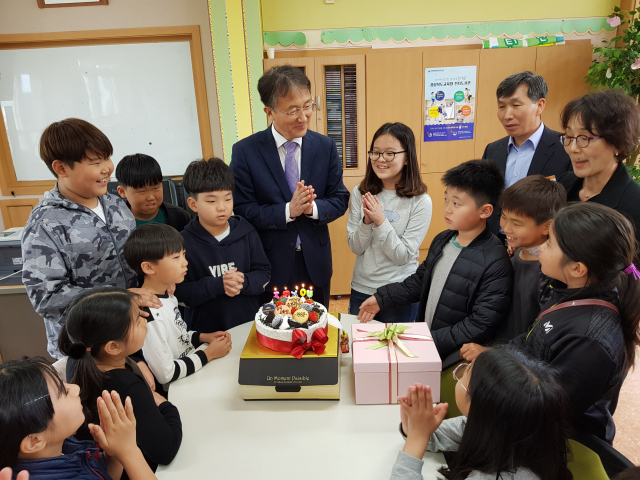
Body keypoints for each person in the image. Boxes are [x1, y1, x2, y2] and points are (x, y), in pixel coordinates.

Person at [464, 203, 640, 444]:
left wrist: (484, 398)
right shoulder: (563, 288)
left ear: (577, 268)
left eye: (549, 244)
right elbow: (532, 338)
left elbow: (549, 412)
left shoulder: (589, 340)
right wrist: (494, 355)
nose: (541, 248)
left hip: (561, 443)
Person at [21, 118, 162, 360]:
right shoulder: (46, 222)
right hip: (86, 350)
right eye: (96, 162)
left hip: (130, 336)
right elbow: (47, 297)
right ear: (61, 168)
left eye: (107, 158)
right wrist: (121, 298)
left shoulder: (116, 205)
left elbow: (134, 262)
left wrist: (160, 276)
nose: (108, 168)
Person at [358, 160, 512, 365]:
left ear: (485, 211)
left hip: (455, 360)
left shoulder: (495, 260)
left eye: (456, 203)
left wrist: (426, 340)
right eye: (446, 199)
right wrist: (381, 298)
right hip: (429, 346)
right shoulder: (443, 239)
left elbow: (479, 324)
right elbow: (419, 282)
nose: (447, 209)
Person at [230, 65, 350, 308]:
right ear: (269, 111)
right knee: (276, 333)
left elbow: (339, 197)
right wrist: (288, 211)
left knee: (317, 332)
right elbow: (242, 208)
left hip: (315, 263)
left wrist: (312, 208)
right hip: (270, 264)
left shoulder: (325, 147)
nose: (303, 116)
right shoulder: (245, 152)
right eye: (293, 109)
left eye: (307, 106)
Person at [390, 347, 571, 480]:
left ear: (480, 401)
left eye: (466, 371)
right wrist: (414, 424)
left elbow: (423, 437)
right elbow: (432, 436)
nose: (459, 373)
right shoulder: (505, 428)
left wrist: (416, 437)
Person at [57, 288, 183, 473]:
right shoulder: (127, 388)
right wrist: (166, 405)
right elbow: (165, 451)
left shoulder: (79, 360)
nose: (145, 320)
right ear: (113, 347)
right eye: (137, 319)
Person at [0, 357, 158, 480]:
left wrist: (114, 454)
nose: (75, 388)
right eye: (63, 391)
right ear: (34, 441)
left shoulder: (59, 445)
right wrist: (129, 451)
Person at [123, 224, 232, 391]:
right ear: (148, 267)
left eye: (184, 254)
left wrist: (203, 337)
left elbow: (176, 337)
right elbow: (166, 373)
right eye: (176, 258)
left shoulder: (169, 296)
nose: (185, 263)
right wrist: (209, 354)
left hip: (192, 376)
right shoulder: (147, 314)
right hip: (178, 390)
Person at [347, 122, 432, 322]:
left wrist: (380, 220)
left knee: (397, 351)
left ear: (407, 158)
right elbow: (356, 247)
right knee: (361, 349)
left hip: (399, 292)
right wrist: (367, 222)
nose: (380, 159)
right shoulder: (360, 192)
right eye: (375, 152)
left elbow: (403, 256)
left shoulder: (420, 201)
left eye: (389, 153)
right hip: (362, 287)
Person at [175, 158, 271, 332]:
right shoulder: (182, 243)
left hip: (248, 325)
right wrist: (218, 285)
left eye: (227, 199)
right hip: (205, 333)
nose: (222, 207)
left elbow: (264, 273)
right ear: (193, 204)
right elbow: (179, 292)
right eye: (211, 201)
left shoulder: (247, 232)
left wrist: (243, 281)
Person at [482, 71, 572, 238]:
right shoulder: (493, 150)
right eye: (502, 107)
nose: (507, 115)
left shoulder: (566, 148)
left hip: (542, 247)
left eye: (516, 106)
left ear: (540, 105)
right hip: (495, 243)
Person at [489, 175, 566, 343]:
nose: (506, 227)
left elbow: (544, 332)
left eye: (517, 224)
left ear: (547, 226)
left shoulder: (550, 273)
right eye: (503, 217)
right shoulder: (514, 252)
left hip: (518, 358)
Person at [557, 89, 640, 238]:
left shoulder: (635, 202)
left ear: (618, 144)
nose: (573, 148)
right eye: (569, 136)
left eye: (585, 138)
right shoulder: (565, 184)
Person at [115, 153, 192, 231]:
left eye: (156, 188)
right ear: (122, 192)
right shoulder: (115, 223)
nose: (151, 197)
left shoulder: (180, 216)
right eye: (142, 191)